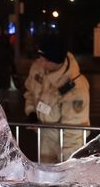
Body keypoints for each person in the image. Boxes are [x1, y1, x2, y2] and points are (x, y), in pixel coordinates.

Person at [23, 35, 89, 163]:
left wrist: (67, 164)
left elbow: (74, 132)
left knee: (62, 180)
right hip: (45, 137)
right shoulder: (38, 68)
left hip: (66, 142)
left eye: (44, 59)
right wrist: (31, 112)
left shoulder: (76, 88)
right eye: (39, 57)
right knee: (45, 178)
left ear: (55, 60)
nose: (40, 62)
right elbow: (30, 91)